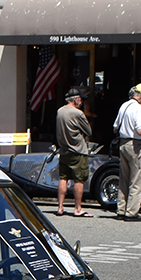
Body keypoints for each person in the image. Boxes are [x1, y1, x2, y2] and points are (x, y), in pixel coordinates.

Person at [112, 83, 141, 221]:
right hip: (136, 144)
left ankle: (121, 208)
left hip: (123, 143)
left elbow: (115, 127)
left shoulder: (124, 106)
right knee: (137, 179)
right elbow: (140, 130)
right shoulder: (138, 109)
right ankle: (131, 212)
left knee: (124, 178)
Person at [53, 89, 93, 217]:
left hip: (64, 150)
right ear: (76, 99)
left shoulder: (60, 111)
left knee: (63, 178)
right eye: (80, 99)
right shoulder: (78, 113)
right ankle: (78, 208)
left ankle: (60, 207)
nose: (81, 102)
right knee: (78, 179)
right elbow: (88, 131)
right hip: (77, 150)